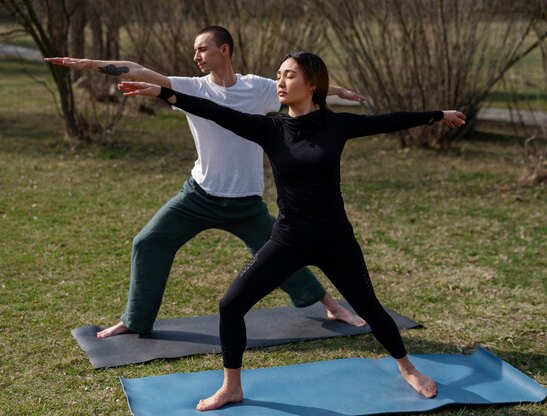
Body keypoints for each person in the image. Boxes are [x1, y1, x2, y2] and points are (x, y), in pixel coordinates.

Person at [118, 51, 466, 410]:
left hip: (335, 240)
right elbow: (215, 111)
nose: (280, 83)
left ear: (312, 84)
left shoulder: (337, 125)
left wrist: (438, 115)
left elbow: (389, 121)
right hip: (288, 239)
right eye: (279, 75)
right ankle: (231, 386)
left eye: (290, 76)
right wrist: (162, 93)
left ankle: (407, 368)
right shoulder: (271, 129)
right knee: (230, 305)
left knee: (371, 309)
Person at [44, 26, 367, 337]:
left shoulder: (258, 88)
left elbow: (307, 88)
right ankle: (136, 320)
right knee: (148, 242)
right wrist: (88, 64)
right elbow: (139, 70)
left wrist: (338, 92)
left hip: (246, 203)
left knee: (285, 252)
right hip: (199, 196)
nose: (196, 56)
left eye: (202, 48)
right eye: (194, 50)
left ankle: (331, 306)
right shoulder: (192, 88)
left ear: (223, 49)